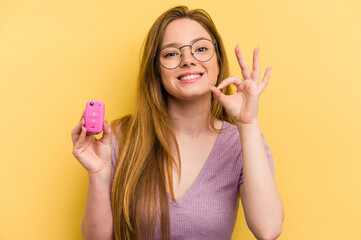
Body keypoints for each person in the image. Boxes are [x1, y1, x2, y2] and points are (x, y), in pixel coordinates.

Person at [71, 5, 284, 240]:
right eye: (171, 53)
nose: (188, 60)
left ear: (218, 63)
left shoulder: (241, 140)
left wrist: (248, 123)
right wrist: (98, 174)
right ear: (156, 71)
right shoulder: (122, 136)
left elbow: (268, 230)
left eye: (201, 49)